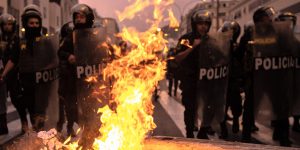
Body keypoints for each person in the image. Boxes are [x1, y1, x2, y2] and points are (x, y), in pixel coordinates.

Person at [18, 4, 58, 131]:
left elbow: (54, 59)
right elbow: (14, 60)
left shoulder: (46, 42)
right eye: (31, 23)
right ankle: (37, 134)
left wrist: (45, 69)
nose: (34, 25)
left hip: (43, 83)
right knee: (32, 112)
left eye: (36, 23)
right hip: (27, 84)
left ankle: (43, 135)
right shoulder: (20, 43)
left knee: (42, 114)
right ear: (25, 23)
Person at [175, 10, 205, 138]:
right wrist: (192, 47)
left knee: (207, 107)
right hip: (189, 80)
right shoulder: (185, 39)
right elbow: (178, 57)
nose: (203, 26)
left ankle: (203, 131)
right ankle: (189, 133)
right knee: (190, 108)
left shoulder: (210, 39)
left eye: (206, 24)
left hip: (206, 80)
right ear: (194, 25)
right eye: (200, 24)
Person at [277, 12, 300, 133]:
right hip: (279, 78)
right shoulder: (274, 41)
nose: (289, 25)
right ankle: (279, 131)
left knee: (296, 99)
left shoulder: (296, 42)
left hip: (293, 76)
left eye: (291, 23)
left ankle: (296, 122)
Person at [219, 21, 243, 135]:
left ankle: (236, 120)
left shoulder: (237, 46)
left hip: (233, 80)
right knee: (222, 106)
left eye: (232, 32)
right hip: (222, 80)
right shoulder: (219, 46)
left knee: (236, 104)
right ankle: (223, 128)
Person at [0, 13, 22, 134]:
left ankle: (24, 123)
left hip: (13, 74)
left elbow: (14, 58)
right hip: (1, 74)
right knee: (1, 101)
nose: (7, 27)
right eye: (5, 25)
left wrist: (4, 73)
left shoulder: (16, 39)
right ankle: (3, 126)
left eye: (10, 24)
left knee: (16, 99)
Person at [56, 21, 77, 136]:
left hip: (76, 78)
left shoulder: (81, 41)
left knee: (73, 106)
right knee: (68, 105)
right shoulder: (65, 43)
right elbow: (60, 53)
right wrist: (69, 56)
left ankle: (70, 126)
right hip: (67, 79)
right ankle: (65, 127)